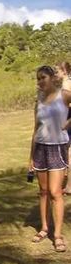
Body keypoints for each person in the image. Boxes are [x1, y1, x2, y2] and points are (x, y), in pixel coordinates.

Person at [28, 65, 71, 252]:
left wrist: (67, 124)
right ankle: (45, 228)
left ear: (53, 78)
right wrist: (30, 157)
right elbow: (35, 129)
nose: (39, 82)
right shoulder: (39, 101)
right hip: (40, 148)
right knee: (43, 191)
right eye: (37, 79)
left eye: (42, 78)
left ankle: (58, 235)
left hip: (58, 147)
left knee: (56, 192)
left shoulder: (64, 95)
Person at [57, 62, 71, 195]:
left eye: (58, 71)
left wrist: (66, 123)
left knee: (68, 153)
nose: (56, 74)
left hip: (67, 121)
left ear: (64, 71)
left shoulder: (67, 84)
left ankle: (68, 186)